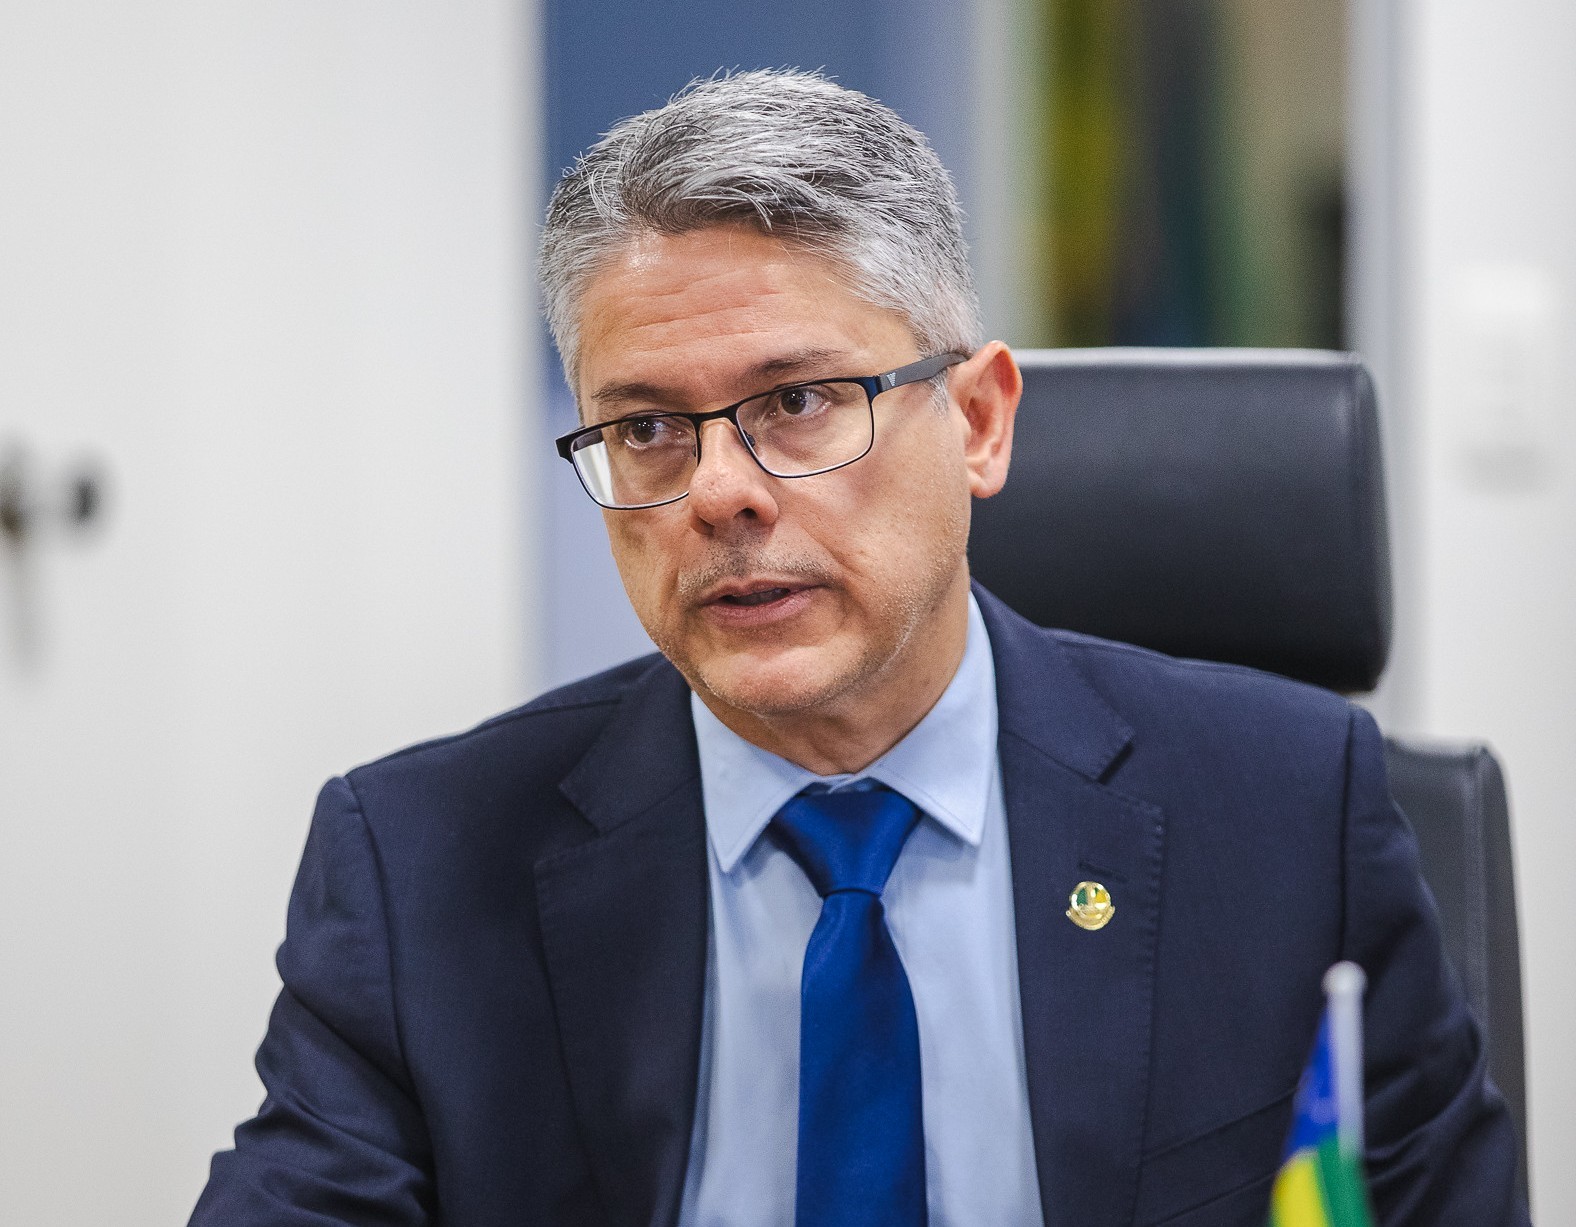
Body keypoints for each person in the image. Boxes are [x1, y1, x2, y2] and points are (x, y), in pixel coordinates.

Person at [189, 69, 1528, 1226]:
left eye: (798, 401)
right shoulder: (423, 866)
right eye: (647, 430)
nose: (719, 493)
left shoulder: (1286, 813)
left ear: (980, 422)